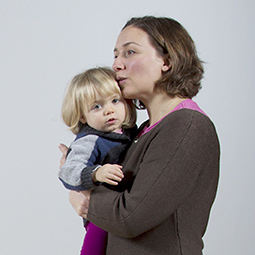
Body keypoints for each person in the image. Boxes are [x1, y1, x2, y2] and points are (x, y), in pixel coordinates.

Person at [62, 16, 220, 255]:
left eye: (130, 52)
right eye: (115, 55)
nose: (116, 65)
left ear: (166, 60)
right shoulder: (142, 131)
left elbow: (130, 217)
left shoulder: (187, 125)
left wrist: (86, 199)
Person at [58, 67, 137, 255]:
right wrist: (96, 173)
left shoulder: (128, 133)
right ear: (83, 116)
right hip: (99, 214)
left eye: (115, 101)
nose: (109, 110)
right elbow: (68, 171)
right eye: (97, 106)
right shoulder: (90, 140)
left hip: (121, 210)